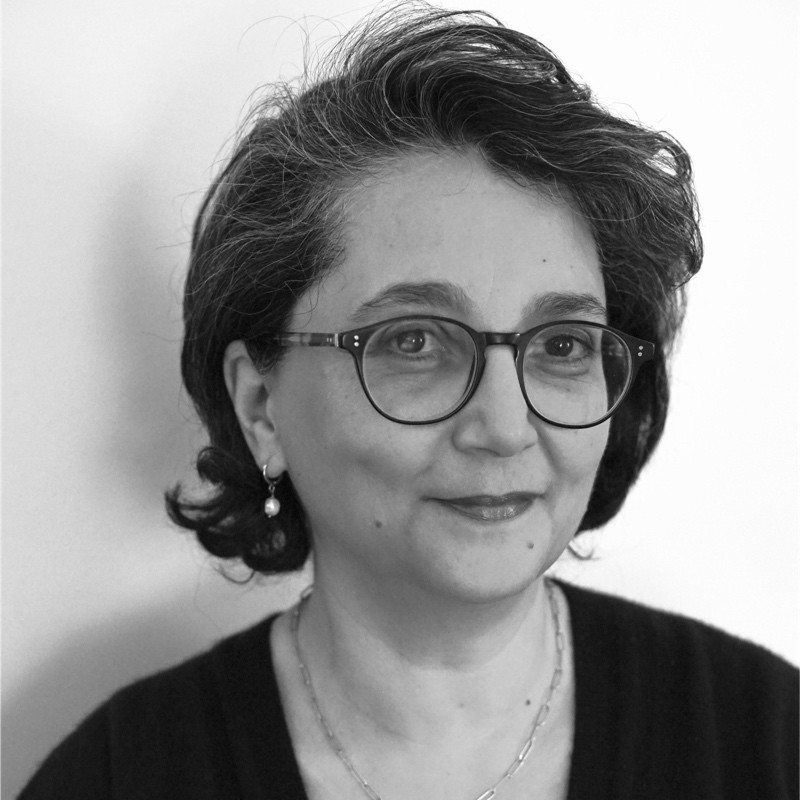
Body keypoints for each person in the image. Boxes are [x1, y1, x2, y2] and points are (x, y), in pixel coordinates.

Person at [19, 4, 798, 799]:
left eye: (562, 346)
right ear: (260, 406)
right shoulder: (119, 778)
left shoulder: (768, 744)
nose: (505, 427)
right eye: (415, 342)